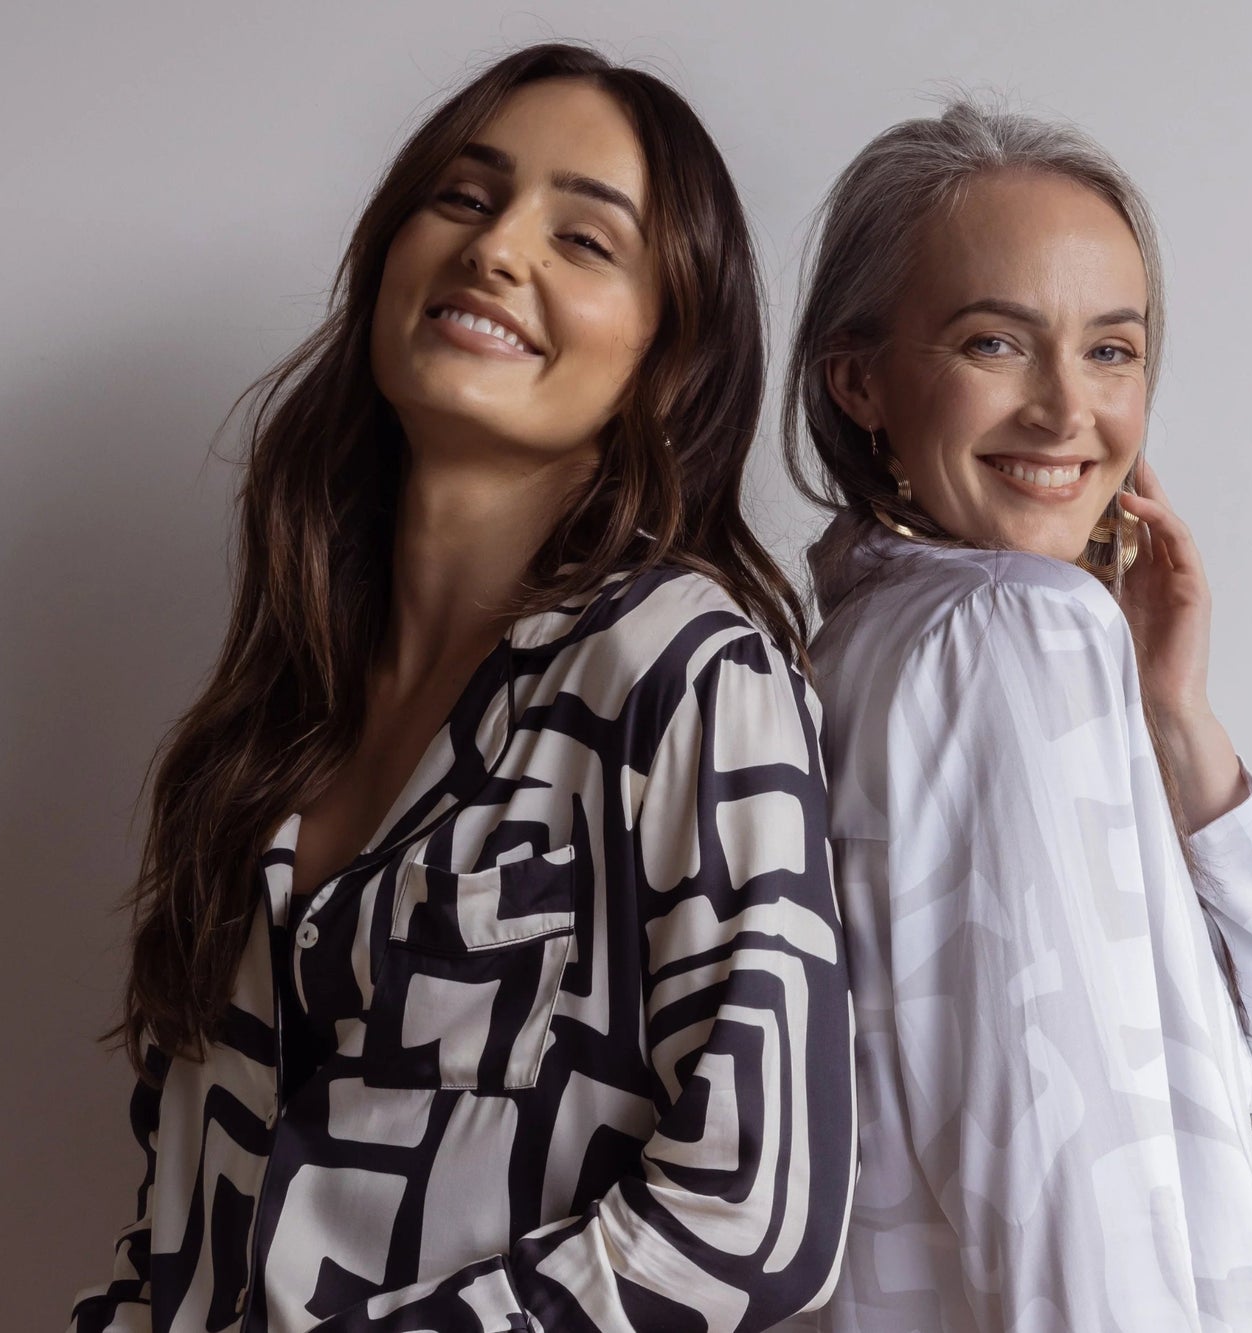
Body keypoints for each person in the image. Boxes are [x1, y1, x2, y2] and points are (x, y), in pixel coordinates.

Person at [69, 43, 855, 1333]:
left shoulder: (680, 669)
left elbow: (758, 1217)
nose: (498, 250)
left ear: (671, 352)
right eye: (464, 197)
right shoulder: (268, 717)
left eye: (585, 239)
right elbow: (178, 1215)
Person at [782, 102, 1252, 1331]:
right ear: (859, 379)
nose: (1066, 412)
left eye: (1110, 350)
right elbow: (1061, 1195)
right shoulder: (1014, 632)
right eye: (995, 344)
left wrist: (1175, 724)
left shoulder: (848, 654)